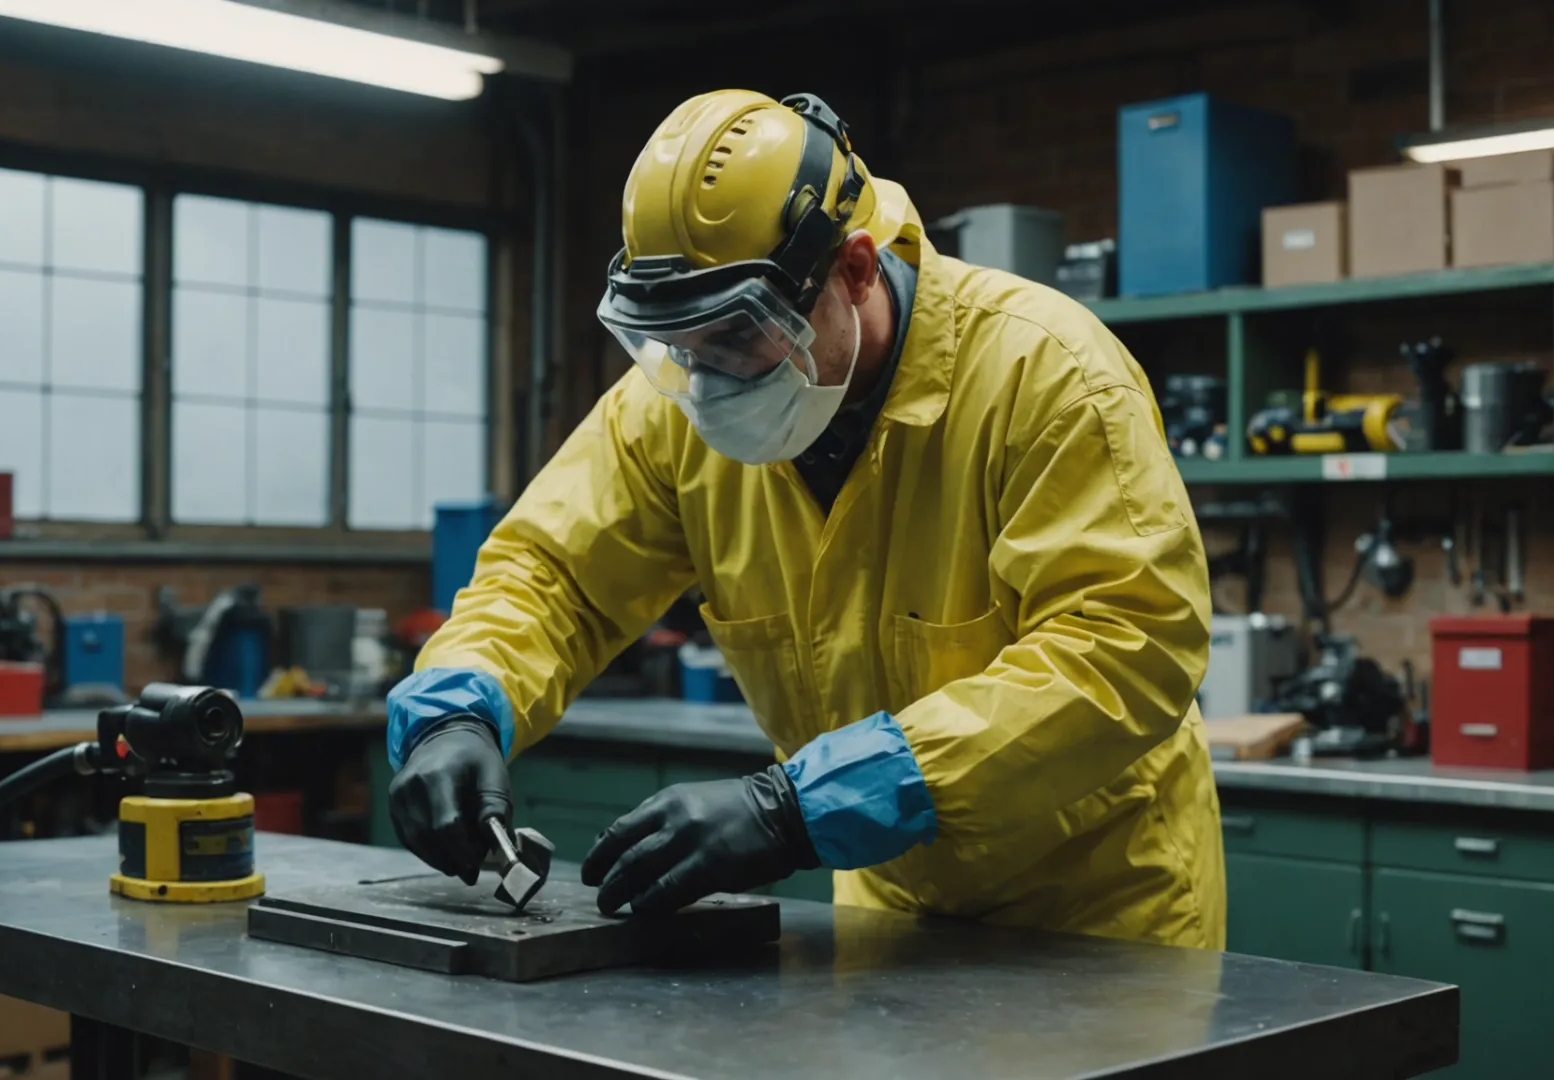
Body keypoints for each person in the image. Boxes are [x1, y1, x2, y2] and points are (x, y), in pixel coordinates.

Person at [383, 89, 1223, 948]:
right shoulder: (673, 409)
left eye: (738, 336)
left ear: (854, 270)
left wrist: (796, 807)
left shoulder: (1044, 375)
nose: (707, 382)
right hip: (890, 910)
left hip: (1097, 918)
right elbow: (552, 575)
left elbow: (1126, 649)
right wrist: (459, 708)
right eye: (677, 343)